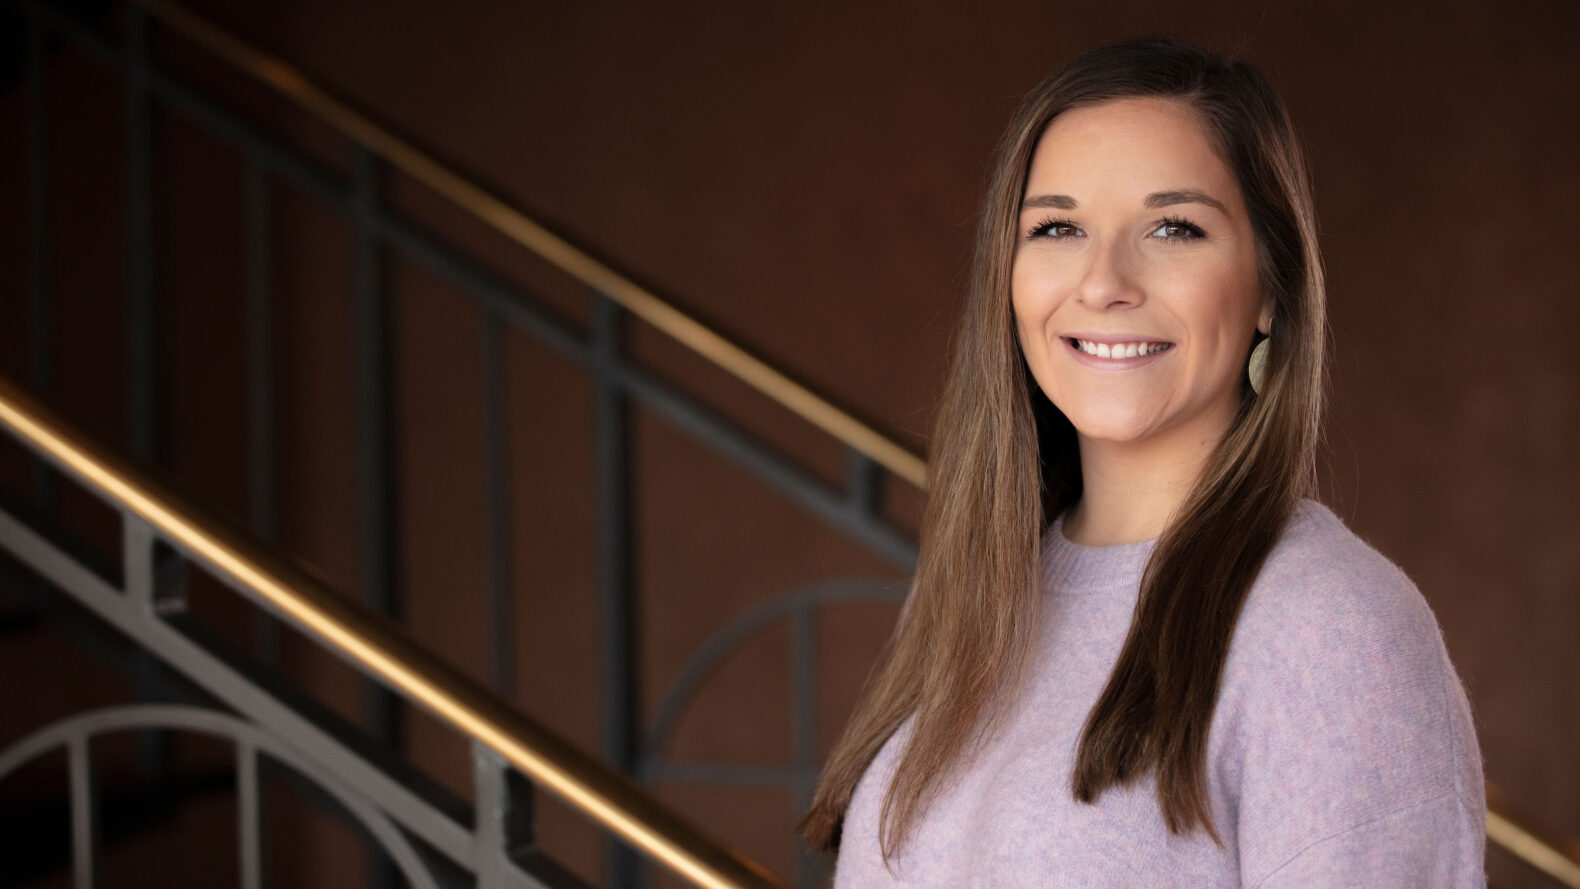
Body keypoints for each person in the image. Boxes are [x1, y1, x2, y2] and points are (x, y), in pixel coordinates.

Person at [800, 37, 1486, 887]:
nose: (1104, 281)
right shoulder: (977, 592)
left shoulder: (1334, 632)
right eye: (1057, 227)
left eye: (1173, 227)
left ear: (1271, 288)